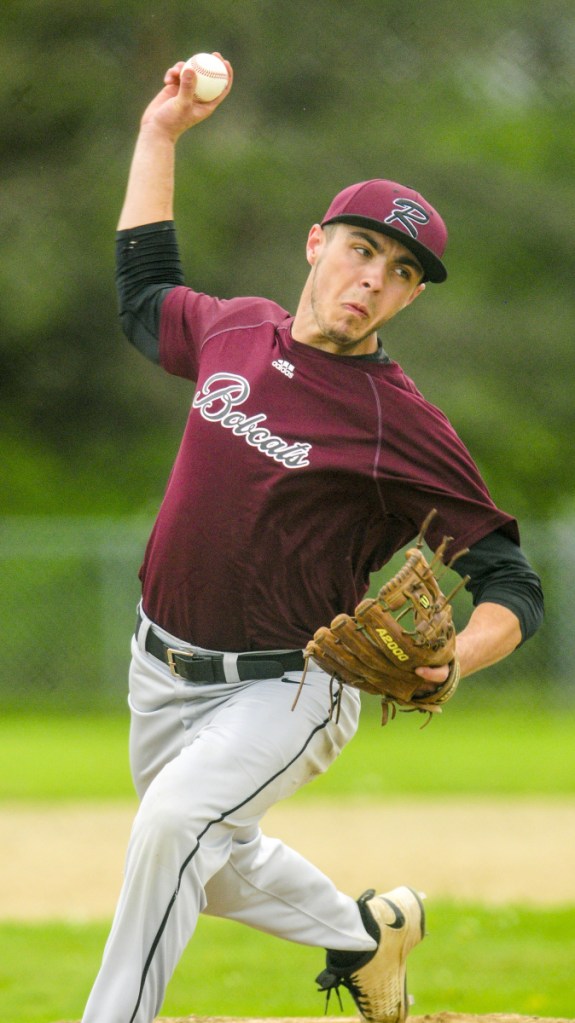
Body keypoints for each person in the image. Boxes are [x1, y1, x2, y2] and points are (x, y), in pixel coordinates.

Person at [82, 56, 544, 1023]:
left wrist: (457, 655)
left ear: (411, 298)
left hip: (286, 685)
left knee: (172, 825)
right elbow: (141, 294)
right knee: (206, 857)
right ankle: (363, 936)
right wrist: (158, 135)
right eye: (361, 250)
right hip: (158, 668)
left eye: (402, 272)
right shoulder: (236, 331)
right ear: (315, 243)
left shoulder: (397, 420)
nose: (373, 278)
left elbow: (510, 577)